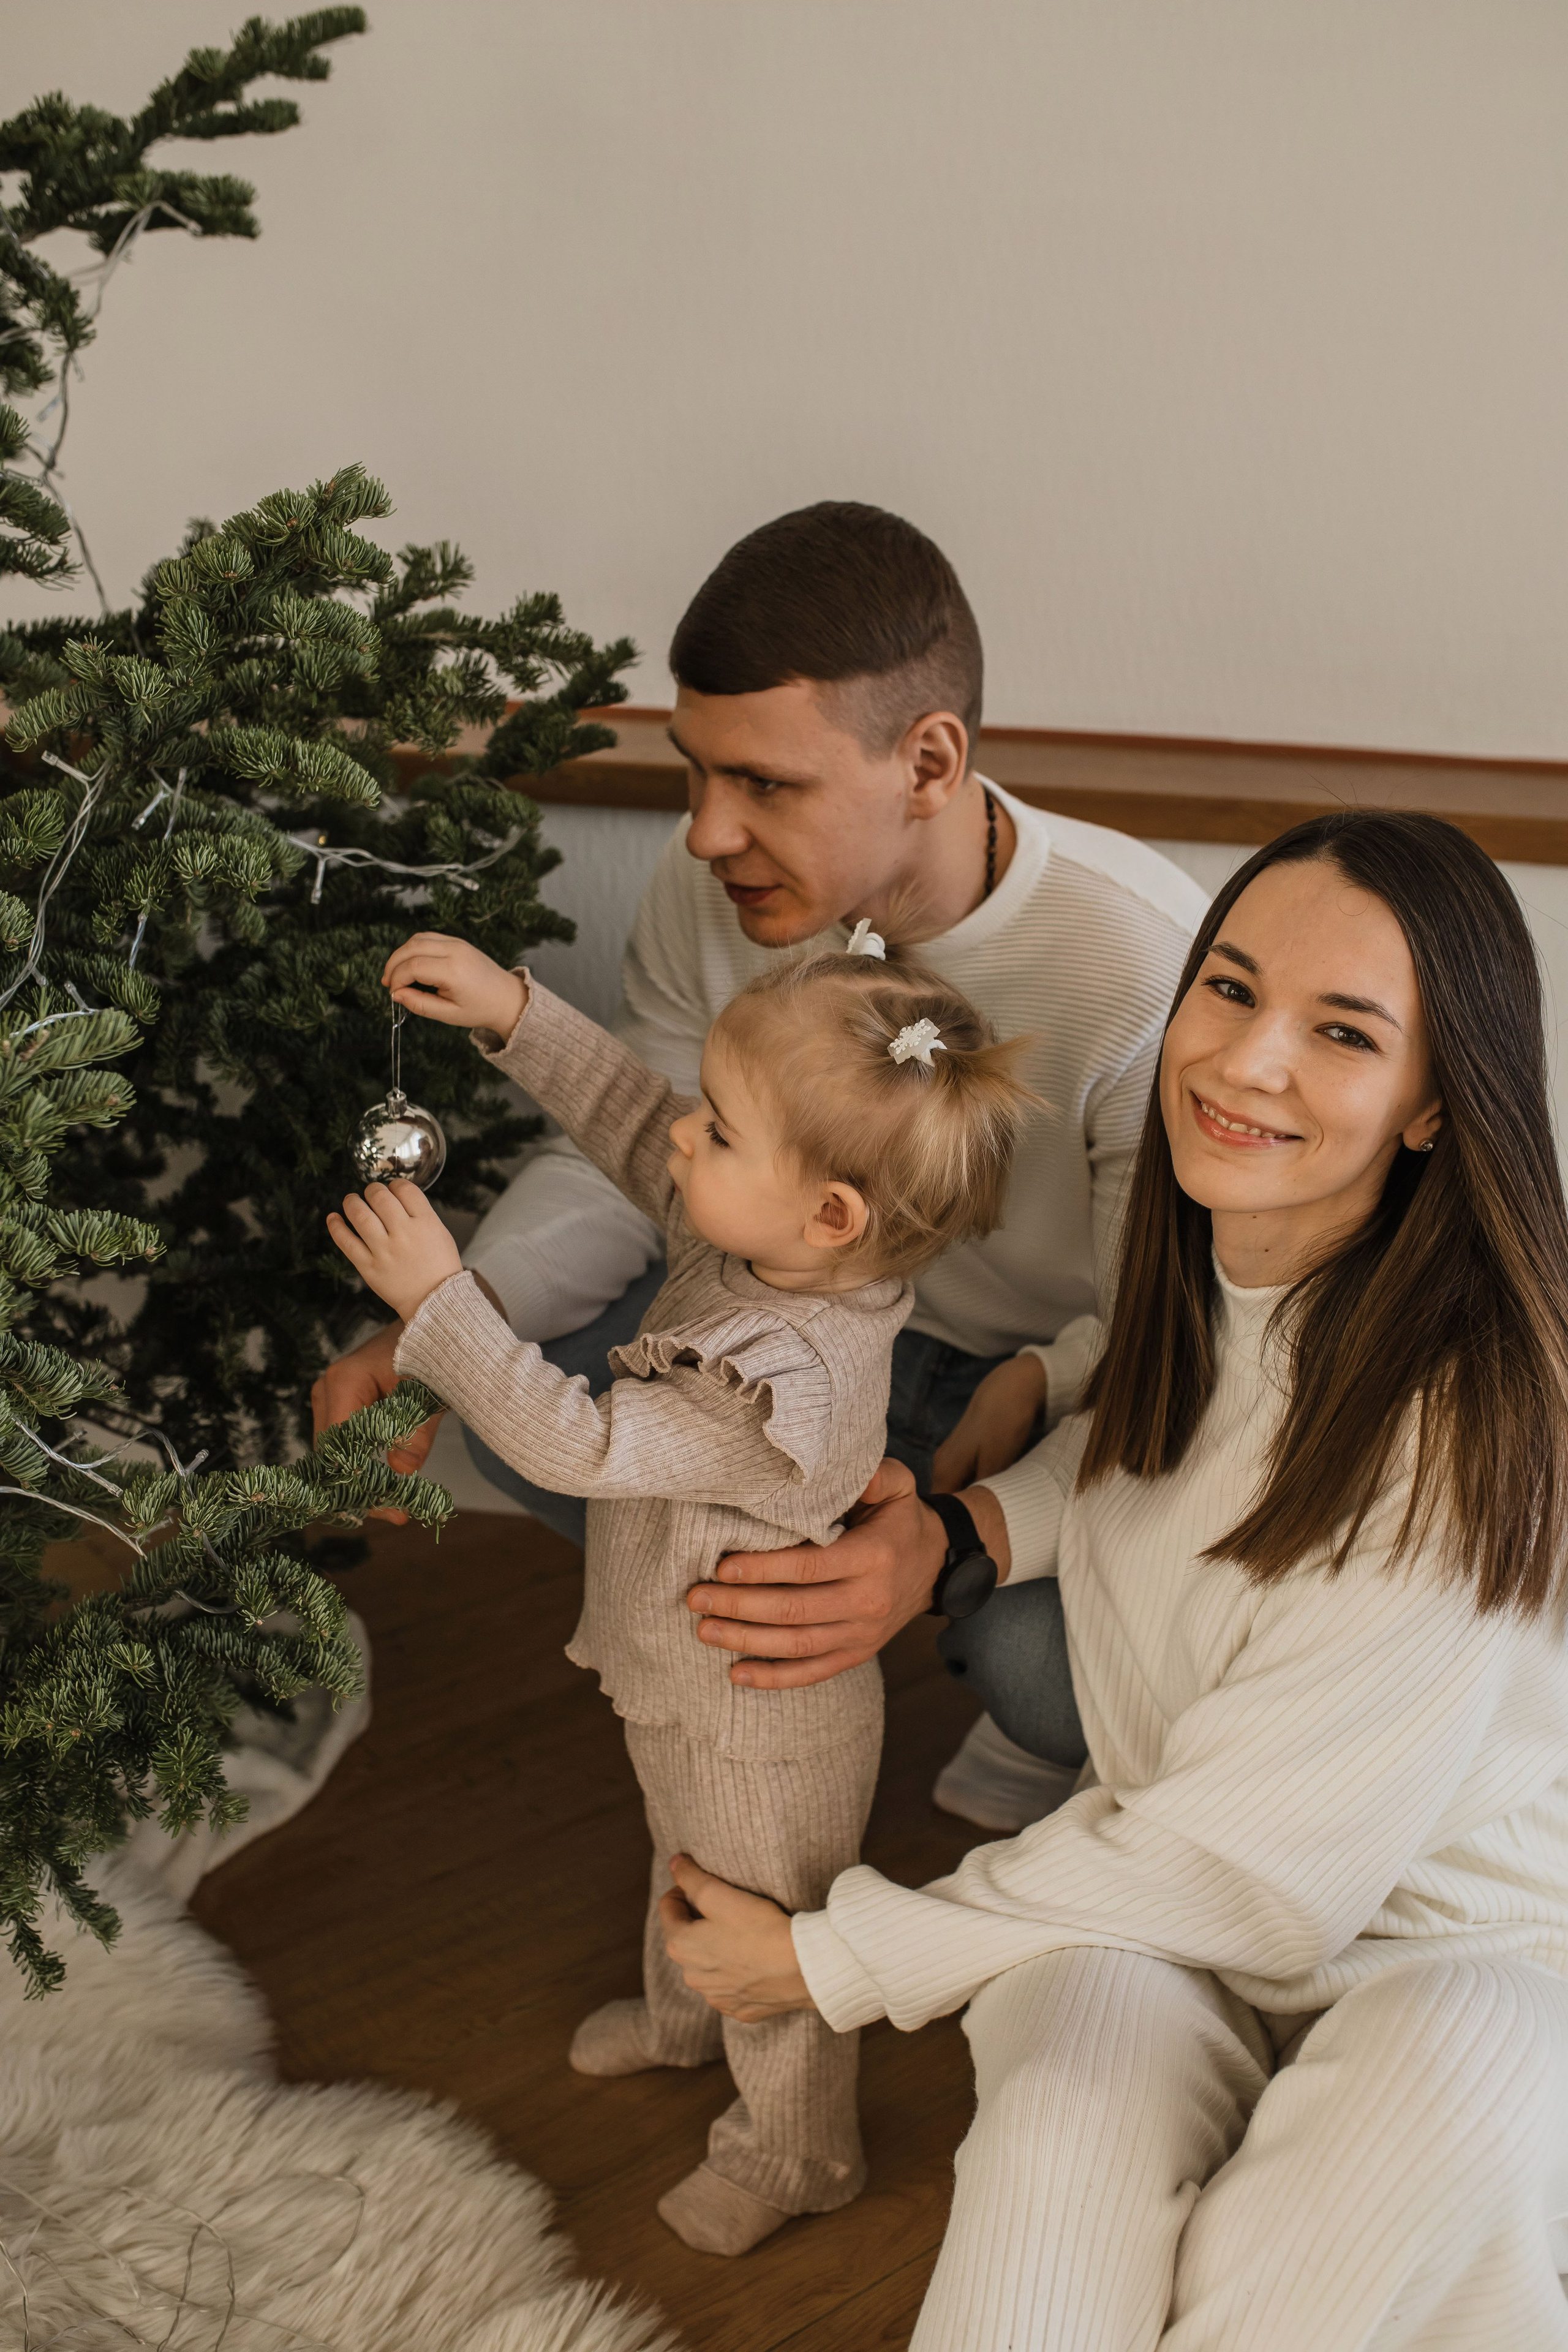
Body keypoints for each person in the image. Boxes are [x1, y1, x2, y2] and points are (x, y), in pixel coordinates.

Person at [658, 810, 1568, 2350]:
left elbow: (1255, 1867)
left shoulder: (1474, 1405)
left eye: (1340, 1032)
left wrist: (836, 1956)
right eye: (1228, 990)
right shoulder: (1214, 1264)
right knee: (1040, 2199)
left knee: (1303, 2275)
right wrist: (965, 1530)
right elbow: (1178, 1464)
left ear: (1431, 1103)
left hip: (1459, 1947)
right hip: (1162, 1902)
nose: (1247, 1061)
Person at [311, 500, 1210, 1830]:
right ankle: (745, 1632)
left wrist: (953, 1536)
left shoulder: (1139, 970)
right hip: (791, 1336)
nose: (702, 834)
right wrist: (468, 1313)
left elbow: (1177, 1360)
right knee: (534, 1410)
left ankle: (966, 1657)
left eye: (764, 785)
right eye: (694, 771)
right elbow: (639, 1146)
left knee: (1044, 1673)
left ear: (927, 760)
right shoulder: (723, 886)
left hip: (1043, 1399)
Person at [325, 925, 1034, 2257]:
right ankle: (678, 2018)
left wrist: (442, 1304)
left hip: (765, 1715)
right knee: (679, 1851)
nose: (683, 1138)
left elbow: (576, 1445)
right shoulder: (756, 1235)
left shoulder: (783, 1384)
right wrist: (512, 1011)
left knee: (769, 1930)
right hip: (684, 1674)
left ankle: (793, 2150)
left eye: (718, 1129)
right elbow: (627, 1113)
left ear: (828, 1214)